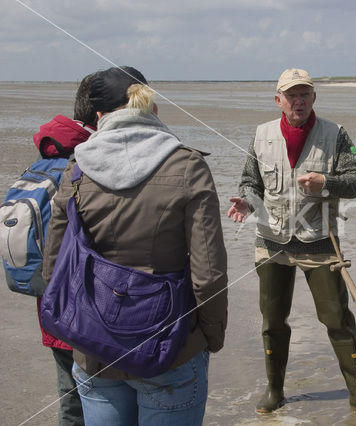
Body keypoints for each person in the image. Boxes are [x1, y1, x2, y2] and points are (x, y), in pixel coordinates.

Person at [42, 66, 228, 425]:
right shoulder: (187, 165)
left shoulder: (76, 168)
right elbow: (209, 272)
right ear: (152, 111)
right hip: (173, 347)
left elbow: (55, 264)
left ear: (99, 117)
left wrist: (70, 329)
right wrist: (210, 337)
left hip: (95, 348)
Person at [227, 68, 356, 418]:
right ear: (278, 100)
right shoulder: (261, 135)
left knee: (337, 320)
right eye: (291, 95)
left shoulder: (335, 134)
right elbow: (249, 182)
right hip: (272, 242)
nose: (298, 101)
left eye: (304, 94)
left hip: (319, 242)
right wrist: (248, 201)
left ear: (314, 98)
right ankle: (275, 390)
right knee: (273, 321)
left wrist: (326, 183)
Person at [32, 72, 97, 426]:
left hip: (48, 304)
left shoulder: (45, 159)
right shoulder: (87, 163)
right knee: (99, 397)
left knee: (69, 400)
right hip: (83, 307)